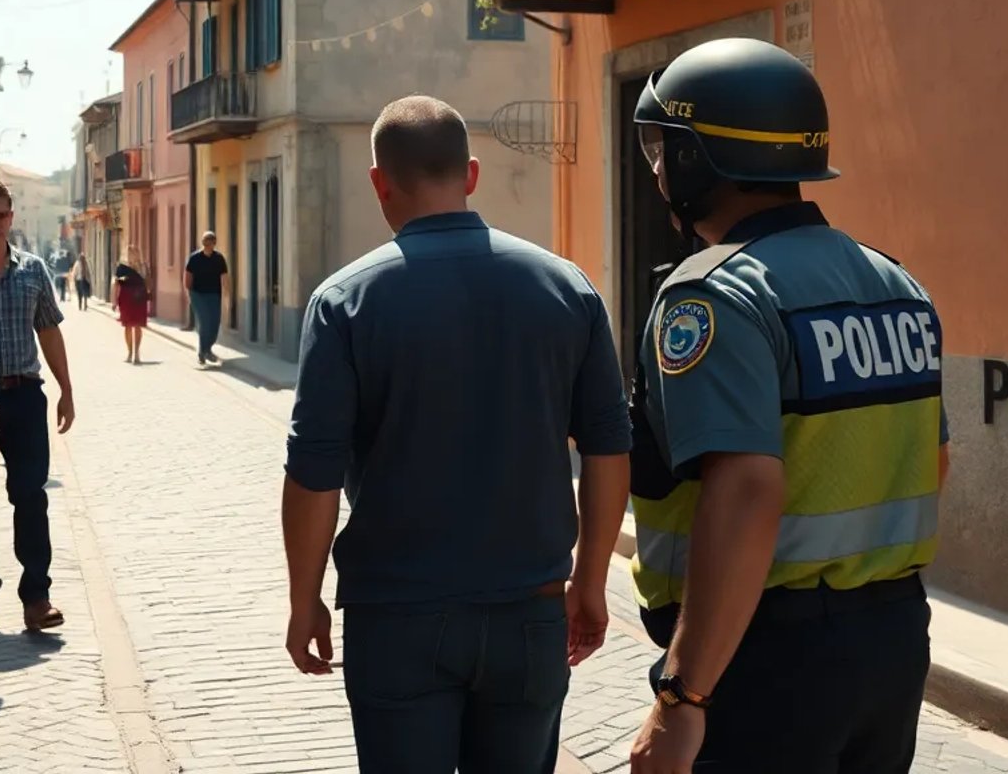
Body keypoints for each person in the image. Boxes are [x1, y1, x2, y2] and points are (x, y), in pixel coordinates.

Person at [624, 38, 947, 774]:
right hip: (893, 640)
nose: (657, 169)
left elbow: (744, 492)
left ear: (698, 161)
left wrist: (682, 697)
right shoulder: (895, 283)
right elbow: (932, 458)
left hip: (766, 653)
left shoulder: (718, 293)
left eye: (663, 149)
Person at [282, 96, 633, 773]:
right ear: (471, 175)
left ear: (379, 181)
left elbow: (313, 473)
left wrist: (306, 601)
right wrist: (589, 581)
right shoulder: (569, 290)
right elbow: (607, 448)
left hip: (396, 617)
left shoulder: (344, 302)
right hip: (529, 612)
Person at [0, 179, 77, 632]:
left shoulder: (33, 270)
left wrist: (66, 388)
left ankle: (37, 597)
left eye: (1, 215)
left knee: (31, 495)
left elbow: (48, 330)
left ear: (12, 217)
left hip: (25, 395)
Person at [183, 231, 229, 365]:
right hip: (197, 294)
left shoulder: (219, 259)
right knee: (205, 321)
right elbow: (187, 277)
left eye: (210, 243)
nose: (208, 245)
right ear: (202, 243)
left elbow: (225, 278)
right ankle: (203, 352)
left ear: (214, 244)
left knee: (214, 323)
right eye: (205, 243)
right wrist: (189, 295)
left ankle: (206, 349)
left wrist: (227, 296)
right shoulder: (194, 258)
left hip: (214, 294)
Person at [111, 247, 149, 363]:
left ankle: (137, 353)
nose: (133, 256)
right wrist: (114, 301)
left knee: (137, 325)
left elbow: (147, 282)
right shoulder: (122, 267)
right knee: (127, 326)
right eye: (130, 253)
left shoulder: (143, 267)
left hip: (139, 299)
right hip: (126, 298)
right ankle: (129, 352)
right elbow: (115, 283)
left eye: (135, 253)